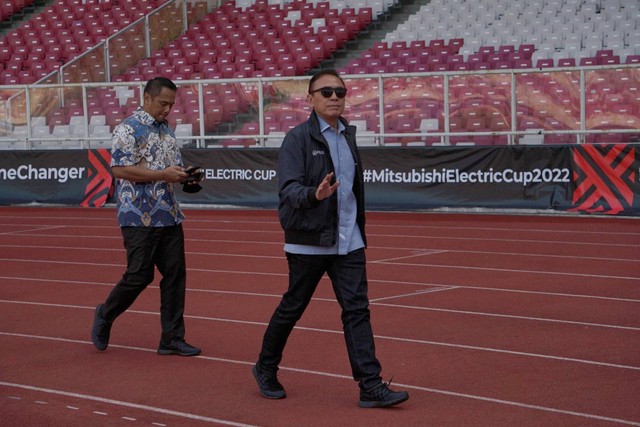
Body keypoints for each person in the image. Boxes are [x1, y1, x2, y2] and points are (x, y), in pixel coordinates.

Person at [252, 69, 409, 408]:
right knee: (293, 307)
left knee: (357, 310)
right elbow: (289, 190)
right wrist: (315, 195)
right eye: (326, 92)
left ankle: (370, 385)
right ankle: (265, 367)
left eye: (340, 91)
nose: (334, 97)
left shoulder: (347, 136)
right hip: (308, 240)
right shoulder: (297, 139)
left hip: (348, 240)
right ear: (310, 99)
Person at [91, 76, 202, 357]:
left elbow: (170, 169)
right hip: (137, 215)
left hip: (169, 214)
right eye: (163, 103)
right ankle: (106, 313)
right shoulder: (128, 129)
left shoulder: (167, 131)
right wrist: (162, 174)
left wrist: (186, 177)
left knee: (175, 275)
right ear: (147, 98)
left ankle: (172, 338)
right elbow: (118, 169)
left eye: (171, 104)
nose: (168, 109)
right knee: (139, 275)